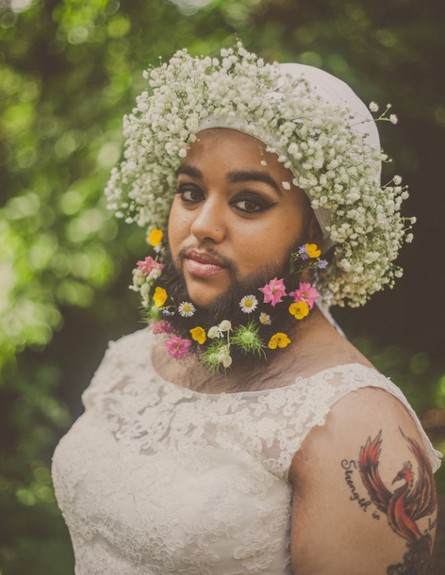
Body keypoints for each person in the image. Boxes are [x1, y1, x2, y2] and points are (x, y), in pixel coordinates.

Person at [52, 43, 441, 575]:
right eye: (190, 192)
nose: (202, 225)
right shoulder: (132, 358)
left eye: (249, 202)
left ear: (317, 233)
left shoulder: (354, 425)